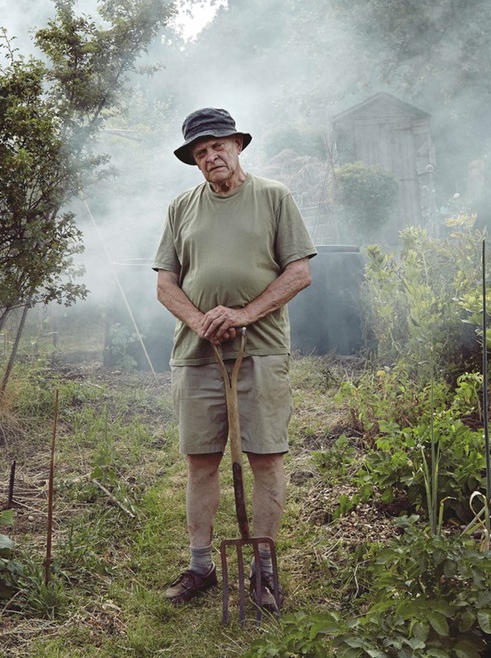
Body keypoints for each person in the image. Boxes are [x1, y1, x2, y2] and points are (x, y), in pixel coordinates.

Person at [152, 107, 316, 613]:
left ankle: (264, 570)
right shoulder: (182, 207)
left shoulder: (274, 197)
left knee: (265, 458)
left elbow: (299, 272)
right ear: (194, 161)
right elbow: (165, 285)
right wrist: (202, 322)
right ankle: (200, 565)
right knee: (200, 461)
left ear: (238, 144)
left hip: (260, 349)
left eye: (217, 145)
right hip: (197, 354)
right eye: (200, 152)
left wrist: (245, 313)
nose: (211, 156)